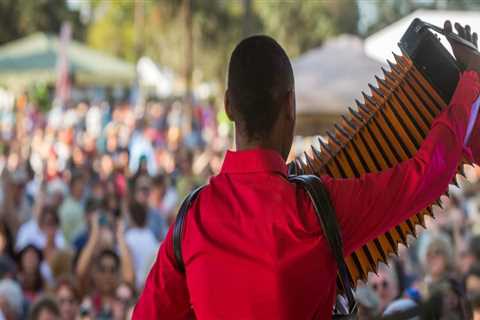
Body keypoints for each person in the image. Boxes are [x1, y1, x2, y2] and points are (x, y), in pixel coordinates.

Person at [134, 21, 480, 319]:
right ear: (290, 105)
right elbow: (425, 176)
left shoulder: (193, 219)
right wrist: (469, 81)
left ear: (227, 105)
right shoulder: (315, 209)